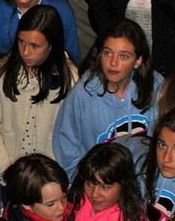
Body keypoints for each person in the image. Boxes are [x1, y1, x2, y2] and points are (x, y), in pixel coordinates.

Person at [53, 18, 162, 174]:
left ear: (138, 61)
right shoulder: (83, 94)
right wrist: (86, 184)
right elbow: (66, 149)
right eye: (107, 53)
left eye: (123, 56)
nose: (113, 63)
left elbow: (164, 144)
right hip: (97, 185)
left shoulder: (156, 86)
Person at [0, 4, 77, 173]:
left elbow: (73, 136)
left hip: (52, 177)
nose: (25, 52)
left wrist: (57, 177)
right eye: (21, 42)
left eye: (35, 46)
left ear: (51, 45)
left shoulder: (70, 79)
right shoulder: (3, 71)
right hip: (10, 172)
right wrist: (7, 172)